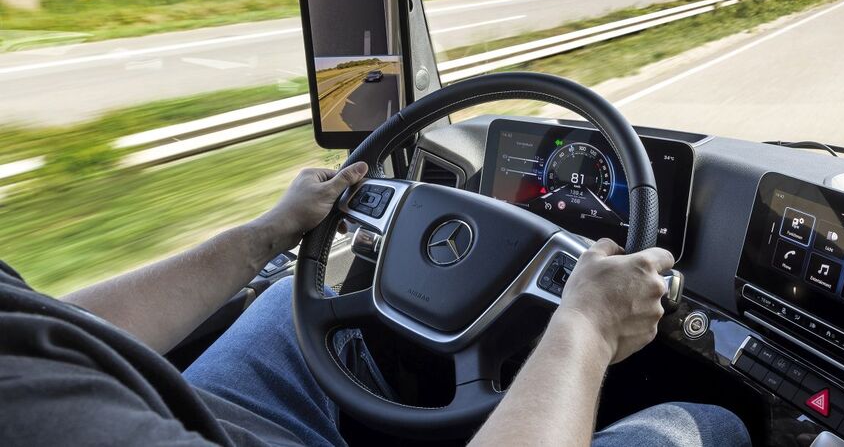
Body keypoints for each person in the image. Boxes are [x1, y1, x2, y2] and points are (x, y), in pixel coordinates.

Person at [0, 163, 750, 446]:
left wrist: (266, 234)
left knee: (284, 309)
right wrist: (583, 326)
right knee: (707, 423)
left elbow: (58, 327)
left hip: (183, 415)